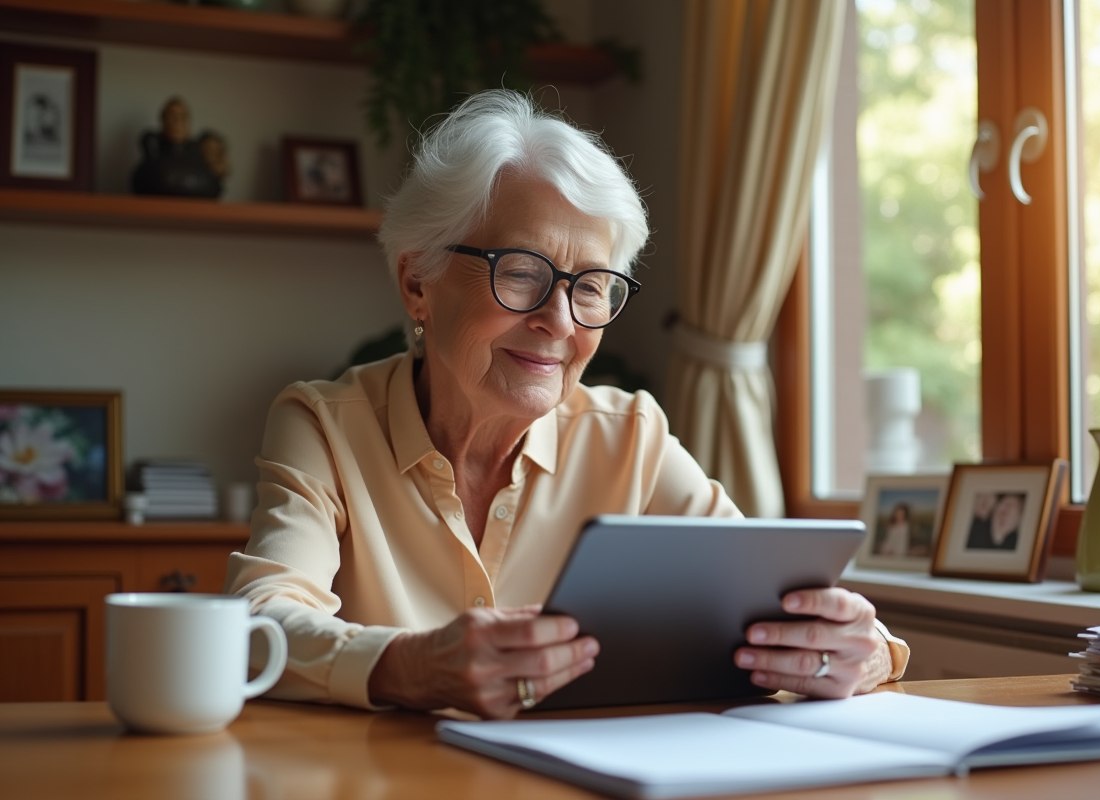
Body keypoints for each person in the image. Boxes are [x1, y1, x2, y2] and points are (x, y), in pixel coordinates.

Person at [224, 90, 908, 720]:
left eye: (591, 288)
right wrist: (414, 666)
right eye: (521, 272)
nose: (560, 321)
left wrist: (860, 650)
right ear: (417, 284)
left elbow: (776, 603)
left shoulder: (629, 438)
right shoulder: (325, 424)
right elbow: (260, 624)